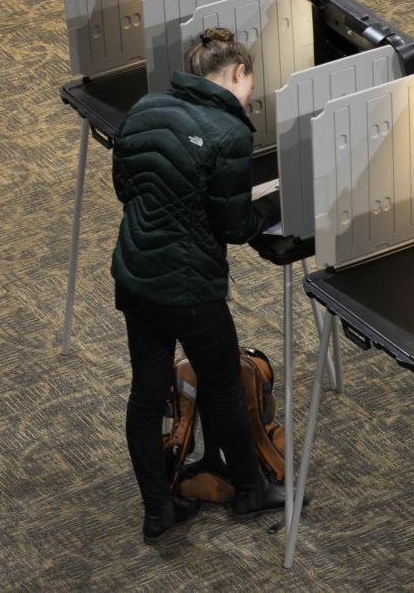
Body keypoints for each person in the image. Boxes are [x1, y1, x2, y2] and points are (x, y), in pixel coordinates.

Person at [111, 28, 286, 543]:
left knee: (146, 395)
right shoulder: (229, 133)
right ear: (236, 73)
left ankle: (157, 509)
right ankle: (251, 492)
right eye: (251, 84)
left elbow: (126, 187)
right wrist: (279, 201)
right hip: (189, 291)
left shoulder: (145, 106)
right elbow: (235, 227)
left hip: (134, 275)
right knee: (223, 386)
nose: (252, 96)